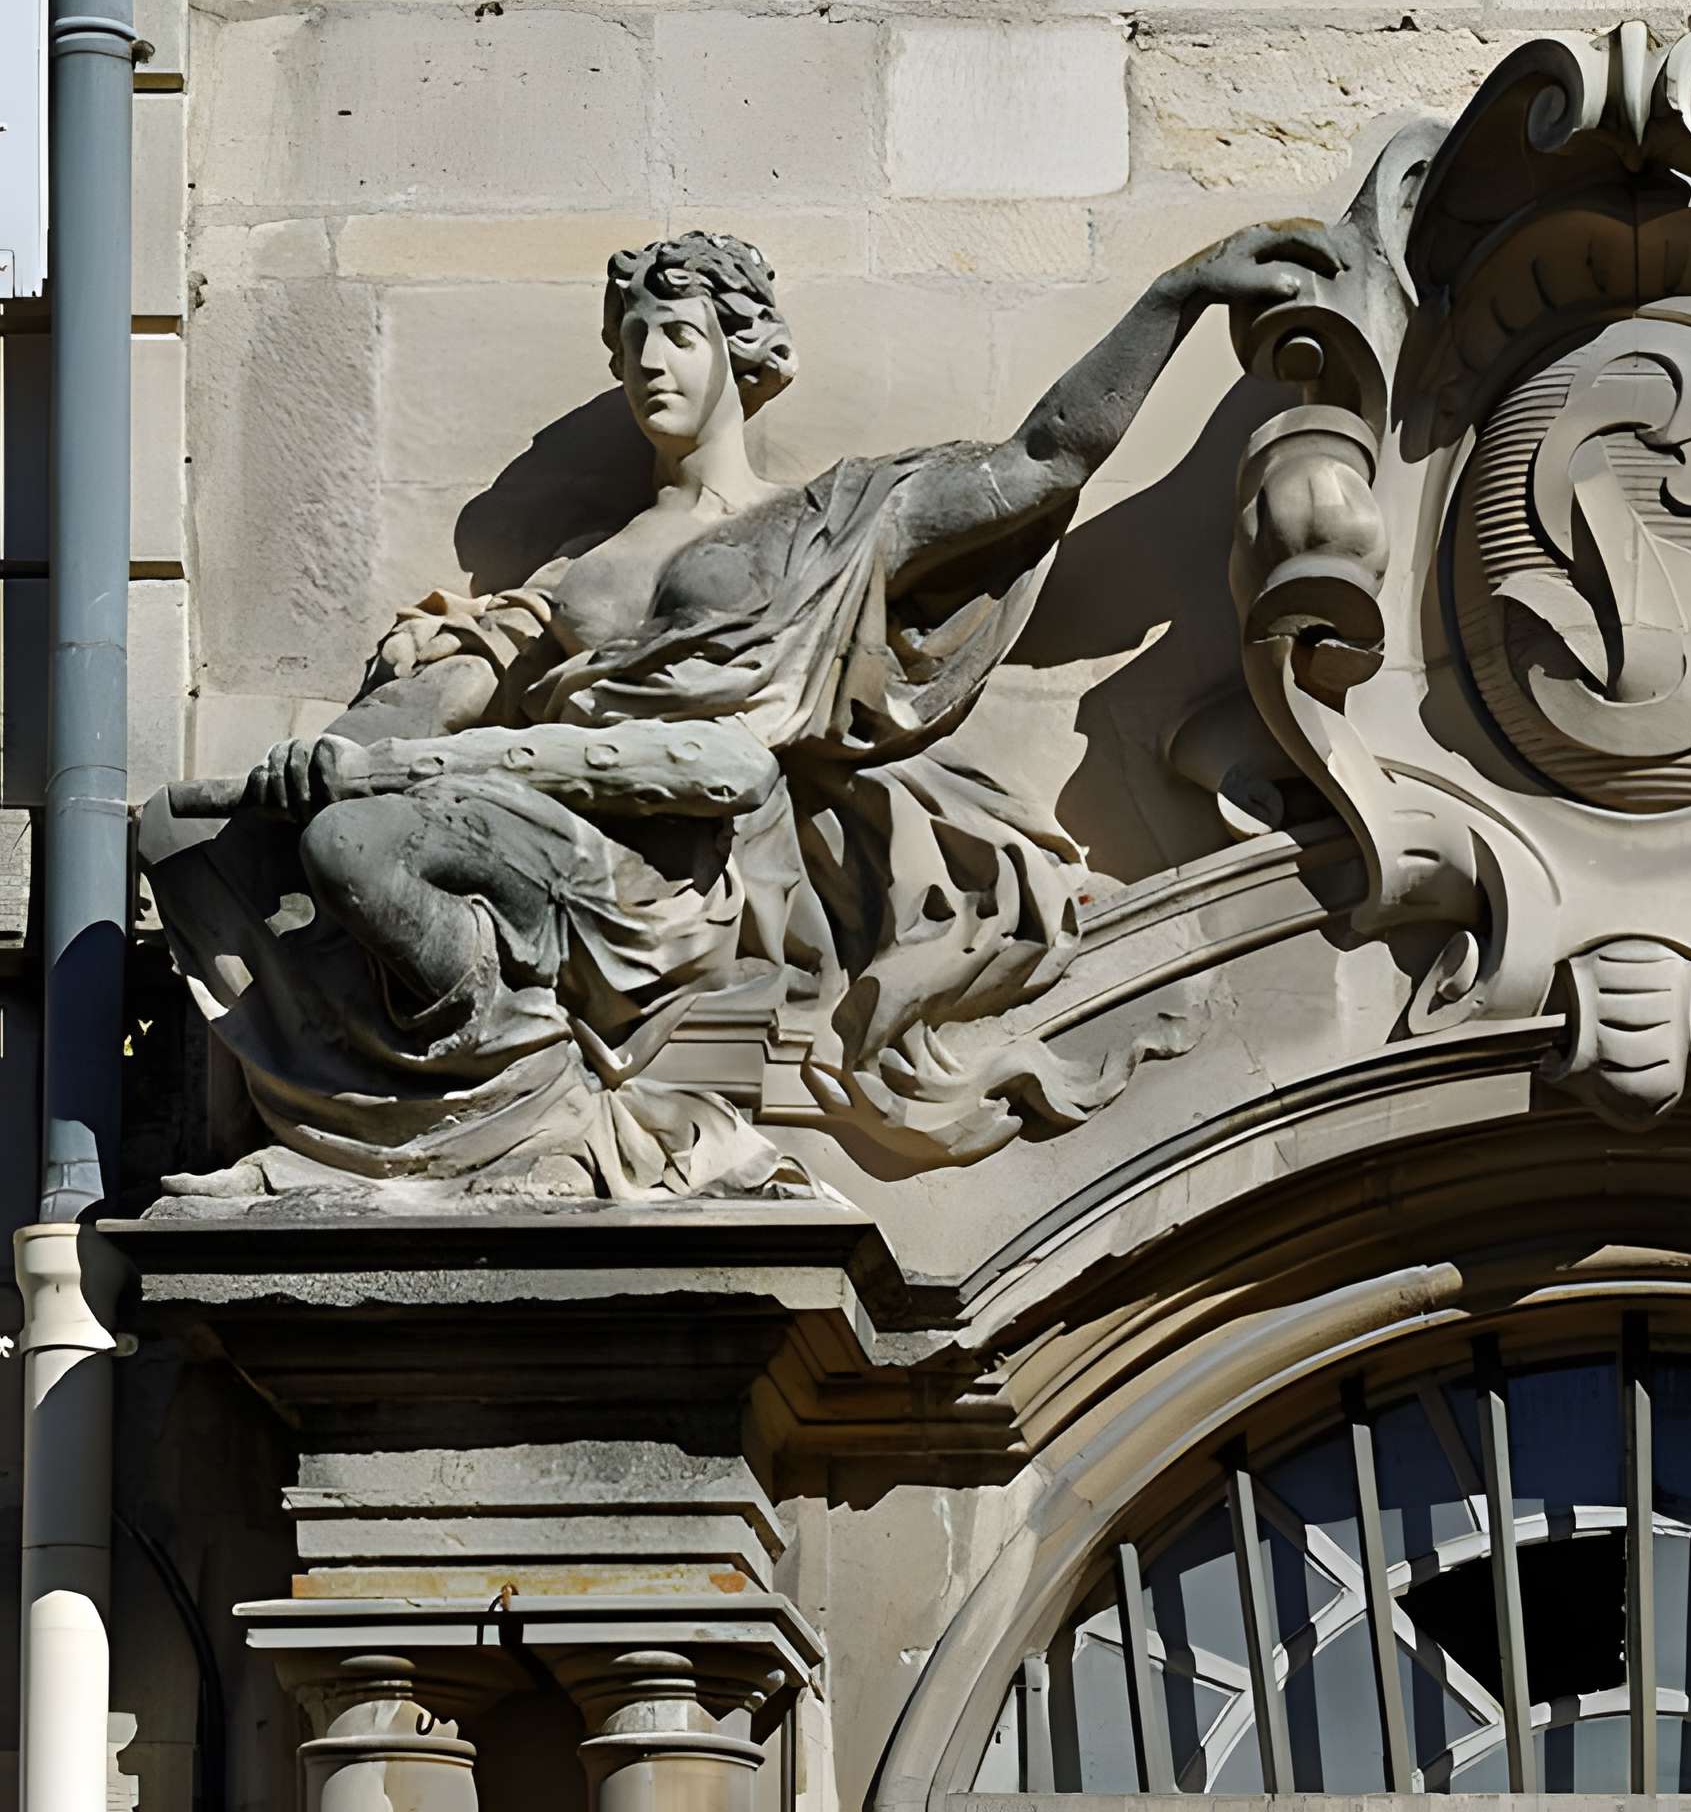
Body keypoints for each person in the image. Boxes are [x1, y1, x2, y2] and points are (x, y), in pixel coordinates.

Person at [143, 226, 1314, 1199]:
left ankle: (521, 1109)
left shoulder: (835, 520)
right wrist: (333, 754)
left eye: (681, 334)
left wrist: (1178, 296)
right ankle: (461, 1095)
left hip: (689, 861)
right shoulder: (577, 572)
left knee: (359, 840)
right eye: (632, 341)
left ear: (744, 351)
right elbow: (432, 695)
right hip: (537, 832)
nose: (651, 360)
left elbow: (1044, 461)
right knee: (190, 837)